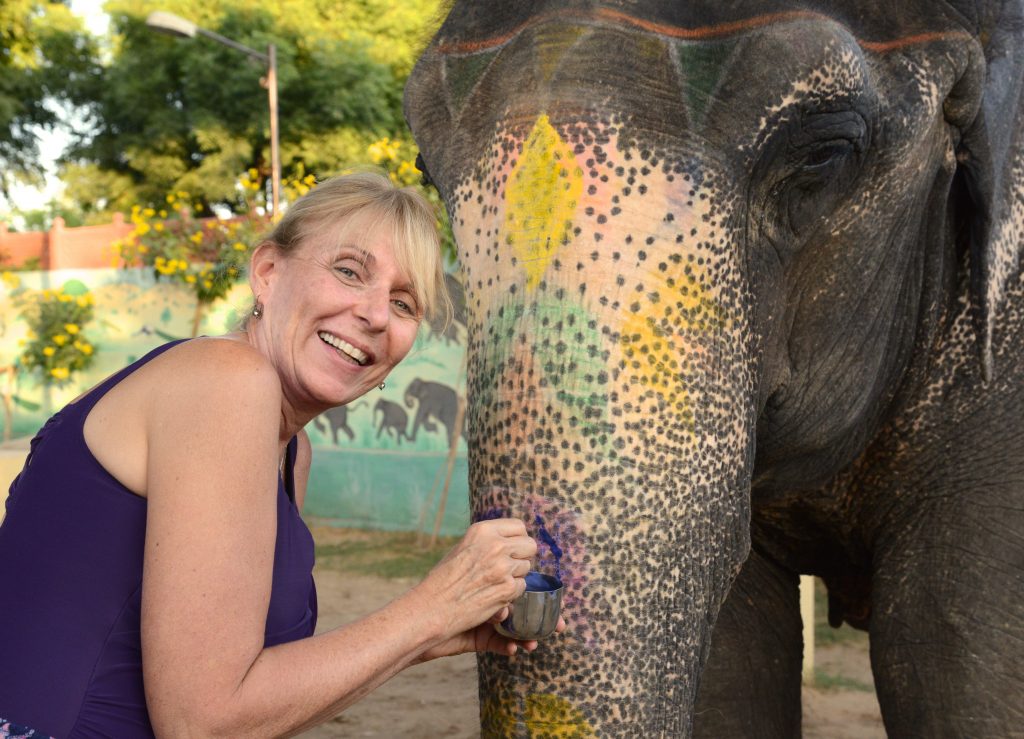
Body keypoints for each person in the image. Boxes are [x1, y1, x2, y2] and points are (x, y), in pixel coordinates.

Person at [0, 171, 552, 737]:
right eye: (348, 271)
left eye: (404, 303)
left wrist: (427, 637)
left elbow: (250, 705)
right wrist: (431, 609)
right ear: (267, 272)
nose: (377, 315)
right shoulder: (226, 381)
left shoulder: (291, 453)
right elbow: (203, 722)